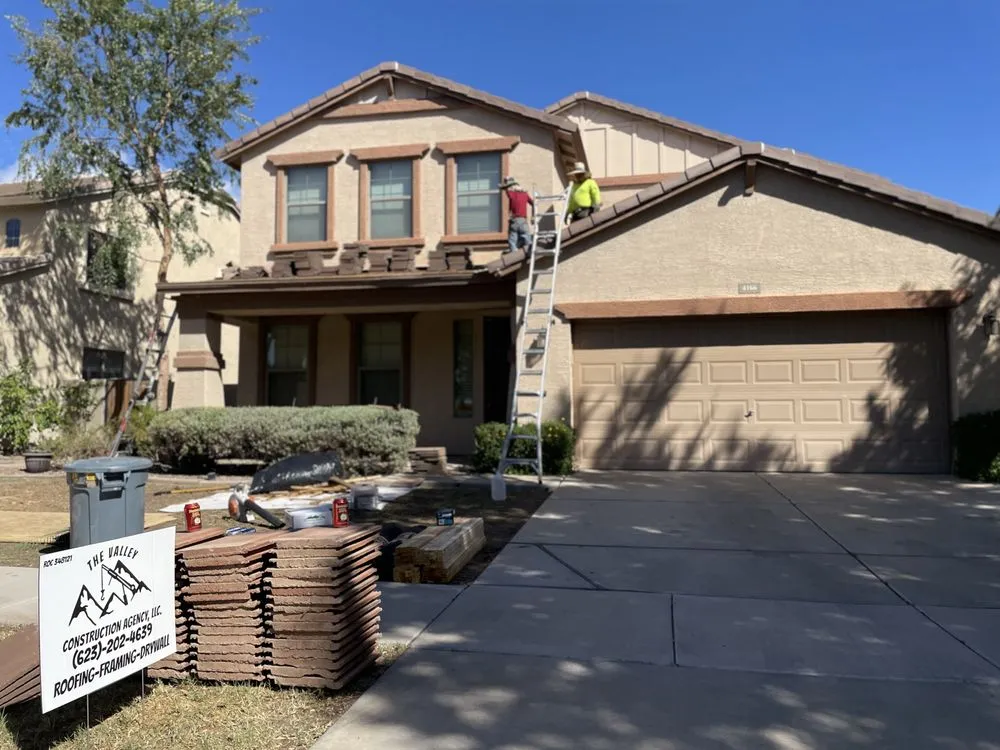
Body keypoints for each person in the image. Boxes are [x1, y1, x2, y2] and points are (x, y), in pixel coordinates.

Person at [499, 176, 534, 253]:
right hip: (523, 220)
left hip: (514, 220)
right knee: (526, 237)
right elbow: (533, 203)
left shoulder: (511, 193)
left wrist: (507, 181)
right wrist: (533, 216)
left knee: (512, 240)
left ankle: (514, 254)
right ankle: (529, 252)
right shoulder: (525, 194)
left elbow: (506, 188)